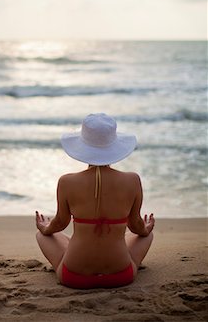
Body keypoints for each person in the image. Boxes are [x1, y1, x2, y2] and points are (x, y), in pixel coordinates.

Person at [36, 113, 155, 289]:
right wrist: (145, 230)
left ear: (82, 145)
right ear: (114, 145)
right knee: (146, 236)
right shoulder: (132, 180)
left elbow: (60, 222)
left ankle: (73, 248)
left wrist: (46, 227)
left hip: (74, 277)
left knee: (42, 235)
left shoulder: (67, 182)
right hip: (120, 276)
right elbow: (135, 225)